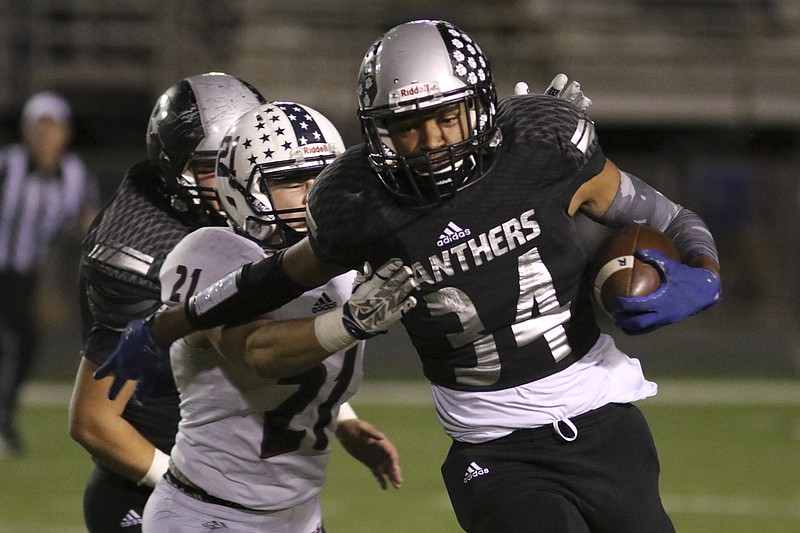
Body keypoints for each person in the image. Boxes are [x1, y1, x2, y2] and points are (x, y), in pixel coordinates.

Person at [98, 19, 722, 532]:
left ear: (481, 108)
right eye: (408, 126)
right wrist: (165, 326)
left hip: (603, 413)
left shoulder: (543, 149)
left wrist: (704, 274)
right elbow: (273, 279)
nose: (431, 141)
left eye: (448, 117)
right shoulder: (363, 203)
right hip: (493, 445)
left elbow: (669, 216)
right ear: (377, 133)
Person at [140, 100, 414, 532]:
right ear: (242, 189)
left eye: (321, 176)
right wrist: (349, 322)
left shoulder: (343, 263)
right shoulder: (212, 252)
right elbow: (256, 351)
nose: (311, 194)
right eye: (290, 180)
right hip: (208, 514)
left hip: (299, 514)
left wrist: (342, 419)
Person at [68, 72, 268, 532]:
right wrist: (192, 490)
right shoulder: (142, 247)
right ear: (173, 167)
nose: (230, 179)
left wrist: (342, 417)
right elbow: (94, 421)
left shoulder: (247, 214)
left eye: (238, 159)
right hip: (150, 491)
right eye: (210, 165)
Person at [0, 90, 99, 455]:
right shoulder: (7, 165)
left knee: (24, 344)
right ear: (26, 132)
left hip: (24, 276)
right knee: (15, 342)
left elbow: (87, 223)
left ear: (65, 133)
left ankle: (5, 420)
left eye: (52, 128)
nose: (45, 136)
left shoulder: (74, 176)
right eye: (38, 128)